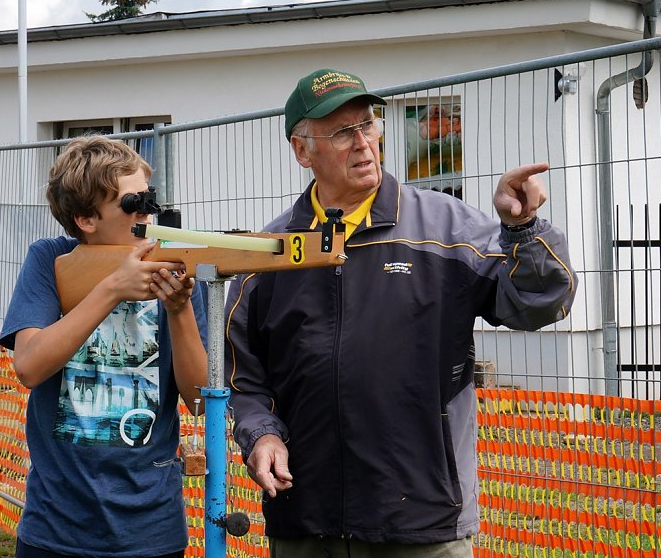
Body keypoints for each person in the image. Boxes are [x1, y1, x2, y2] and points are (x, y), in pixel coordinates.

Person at [225, 68, 577, 557]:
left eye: (368, 125)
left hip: (421, 520)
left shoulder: (446, 227)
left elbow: (538, 304)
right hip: (305, 519)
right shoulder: (271, 254)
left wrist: (522, 230)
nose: (363, 143)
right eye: (342, 132)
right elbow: (245, 378)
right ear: (302, 150)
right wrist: (261, 436)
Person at [0, 136, 208, 558]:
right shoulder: (49, 259)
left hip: (151, 529)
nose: (147, 212)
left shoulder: (177, 261)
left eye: (149, 198)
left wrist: (179, 309)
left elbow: (200, 399)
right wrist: (112, 288)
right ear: (85, 219)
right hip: (56, 527)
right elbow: (29, 366)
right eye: (132, 204)